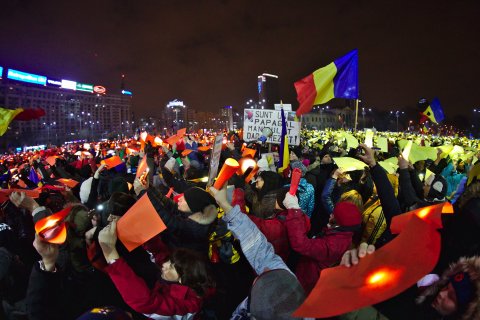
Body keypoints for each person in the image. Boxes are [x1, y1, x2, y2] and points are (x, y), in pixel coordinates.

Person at [210, 185, 307, 320]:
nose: (266, 268)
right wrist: (226, 205)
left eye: (263, 282)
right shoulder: (288, 289)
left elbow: (255, 231)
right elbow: (260, 251)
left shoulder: (276, 225)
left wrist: (236, 200)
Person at [98, 219, 215, 319]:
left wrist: (110, 253)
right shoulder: (181, 276)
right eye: (170, 261)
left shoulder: (189, 303)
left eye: (171, 267)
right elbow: (160, 252)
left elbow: (146, 302)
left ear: (183, 279)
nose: (164, 265)